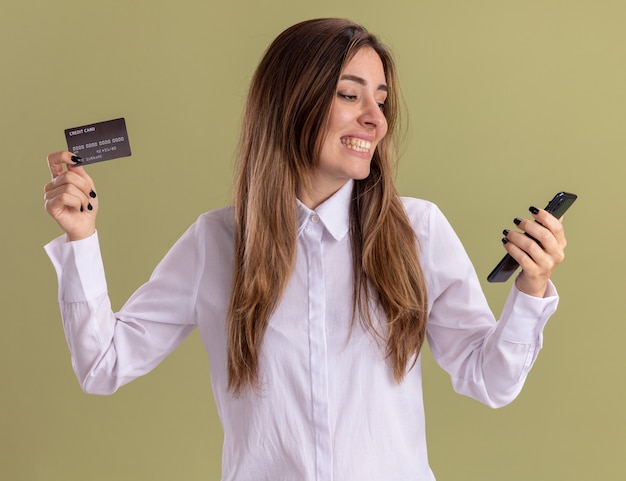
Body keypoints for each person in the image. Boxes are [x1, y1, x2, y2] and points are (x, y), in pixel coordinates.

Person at [43, 18, 567, 481]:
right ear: (293, 101)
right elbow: (102, 365)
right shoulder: (216, 243)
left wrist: (531, 288)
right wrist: (81, 238)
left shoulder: (417, 231)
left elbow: (490, 380)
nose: (376, 120)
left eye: (381, 100)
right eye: (350, 94)